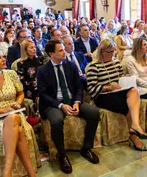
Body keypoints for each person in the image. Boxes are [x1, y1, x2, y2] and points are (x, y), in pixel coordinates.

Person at [37, 40, 100, 174]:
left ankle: (86, 148)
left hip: (72, 100)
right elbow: (42, 94)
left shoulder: (70, 65)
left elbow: (78, 87)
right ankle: (62, 155)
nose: (64, 51)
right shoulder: (43, 70)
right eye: (60, 50)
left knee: (94, 113)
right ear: (51, 54)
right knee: (57, 120)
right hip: (53, 103)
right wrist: (60, 105)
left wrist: (77, 101)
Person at [87, 39, 147, 151]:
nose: (112, 54)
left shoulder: (116, 62)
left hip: (117, 91)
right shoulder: (93, 67)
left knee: (134, 91)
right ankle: (134, 136)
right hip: (102, 96)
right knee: (127, 105)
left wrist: (126, 81)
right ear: (101, 52)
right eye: (109, 52)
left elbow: (120, 77)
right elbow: (92, 89)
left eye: (113, 51)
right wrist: (108, 87)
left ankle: (135, 125)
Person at [0, 48, 35, 177]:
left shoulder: (10, 74)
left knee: (13, 118)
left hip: (15, 112)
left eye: (3, 56)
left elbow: (20, 93)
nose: (4, 60)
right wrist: (1, 110)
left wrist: (17, 103)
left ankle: (6, 173)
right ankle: (31, 174)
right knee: (17, 130)